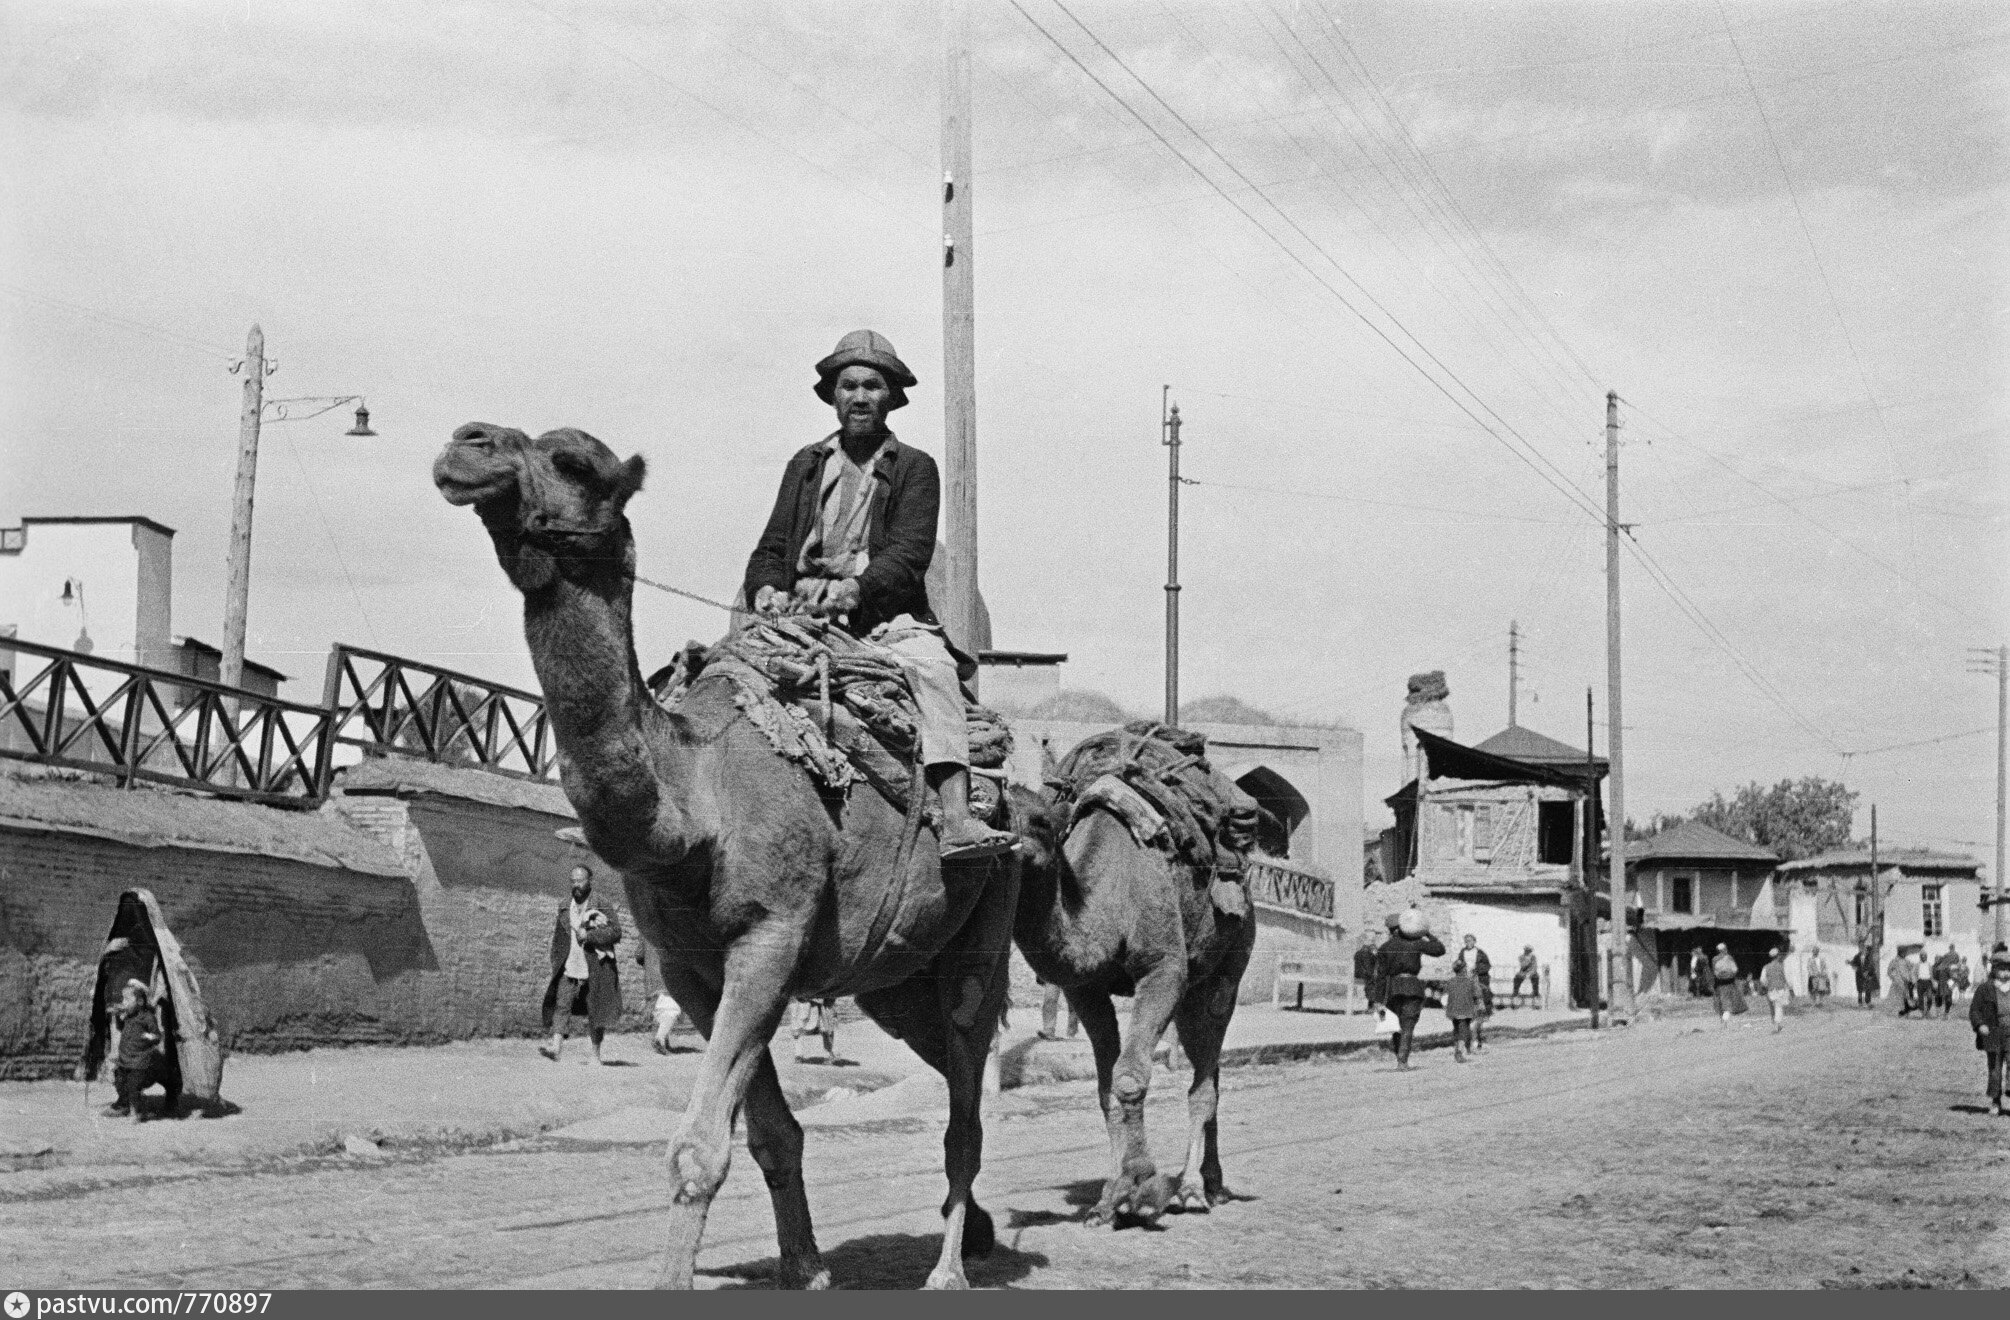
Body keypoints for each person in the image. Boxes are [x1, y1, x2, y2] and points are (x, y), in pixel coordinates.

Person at [742, 329, 1014, 861]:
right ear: (833, 394)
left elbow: (908, 556)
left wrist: (853, 592)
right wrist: (768, 589)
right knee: (712, 679)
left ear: (891, 397)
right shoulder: (805, 465)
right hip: (800, 619)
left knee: (933, 672)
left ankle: (957, 817)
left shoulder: (915, 467)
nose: (860, 396)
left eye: (872, 385)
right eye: (849, 385)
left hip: (886, 621)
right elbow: (772, 546)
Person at [540, 865, 623, 1064]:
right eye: (573, 881)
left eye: (580, 880)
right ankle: (556, 1047)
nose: (576, 885)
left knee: (595, 1010)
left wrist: (590, 935)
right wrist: (555, 960)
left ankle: (595, 1056)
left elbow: (616, 932)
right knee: (562, 1005)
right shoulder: (564, 905)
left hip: (595, 967)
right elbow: (558, 938)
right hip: (569, 965)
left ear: (590, 881)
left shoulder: (601, 904)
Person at [1377, 908, 1446, 1070]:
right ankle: (1403, 1061)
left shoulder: (1385, 947)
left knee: (1396, 1025)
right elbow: (1439, 949)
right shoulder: (1415, 943)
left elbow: (1380, 976)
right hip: (1412, 987)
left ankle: (1399, 1059)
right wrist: (1426, 932)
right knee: (1408, 1026)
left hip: (1392, 989)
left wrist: (1378, 1000)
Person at [105, 980, 175, 1120]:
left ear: (140, 1002)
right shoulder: (128, 1016)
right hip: (125, 1059)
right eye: (122, 999)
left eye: (127, 999)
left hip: (139, 1061)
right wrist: (114, 1015)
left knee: (133, 1086)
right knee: (120, 1081)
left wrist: (147, 1036)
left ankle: (135, 1112)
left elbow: (157, 1036)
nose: (123, 1002)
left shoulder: (147, 1018)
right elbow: (119, 1026)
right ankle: (124, 1103)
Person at [1968, 953, 2010, 1118]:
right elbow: (1974, 1010)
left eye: (2008, 969)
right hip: (1993, 1033)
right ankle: (1995, 1101)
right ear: (1994, 970)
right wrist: (1980, 1025)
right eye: (2002, 970)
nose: (2006, 973)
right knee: (1995, 1068)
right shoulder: (1985, 989)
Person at [1445, 960, 1481, 1063]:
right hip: (1466, 1011)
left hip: (1453, 1012)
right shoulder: (1470, 981)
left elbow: (1444, 996)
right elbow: (1477, 996)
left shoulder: (1450, 981)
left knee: (1456, 1031)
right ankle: (1459, 1053)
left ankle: (1458, 1050)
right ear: (1464, 969)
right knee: (1463, 1032)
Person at [1458, 934, 1493, 1017]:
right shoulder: (1463, 952)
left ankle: (1487, 1012)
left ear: (1474, 941)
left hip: (1479, 976)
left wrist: (1477, 970)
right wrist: (1461, 967)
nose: (1468, 943)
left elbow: (1487, 965)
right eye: (1466, 941)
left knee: (1483, 993)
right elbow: (1459, 962)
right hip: (1466, 974)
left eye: (1470, 940)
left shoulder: (1480, 952)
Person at [793, 997, 838, 1061]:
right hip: (807, 1005)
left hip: (825, 1005)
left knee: (828, 1029)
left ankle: (830, 1053)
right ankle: (798, 1055)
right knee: (798, 1028)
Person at [1760, 946, 1794, 1032]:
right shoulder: (1782, 966)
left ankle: (1776, 1024)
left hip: (1771, 990)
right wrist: (1791, 989)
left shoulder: (1766, 967)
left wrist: (1767, 986)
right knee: (1778, 1006)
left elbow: (1763, 980)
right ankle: (1777, 1025)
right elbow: (1787, 978)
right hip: (1781, 989)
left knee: (1774, 1007)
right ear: (1778, 956)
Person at [1711, 943, 1747, 1025]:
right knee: (1728, 1002)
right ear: (1725, 949)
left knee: (1721, 1002)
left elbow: (1715, 972)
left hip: (1719, 984)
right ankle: (1725, 1019)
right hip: (1730, 983)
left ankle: (1723, 1019)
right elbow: (1735, 970)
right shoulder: (1729, 958)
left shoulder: (1714, 959)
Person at [1891, 948, 1920, 1017]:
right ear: (1900, 953)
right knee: (1904, 996)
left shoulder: (1906, 960)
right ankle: (1906, 1009)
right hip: (1902, 981)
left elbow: (1912, 967)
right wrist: (1896, 977)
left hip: (1907, 980)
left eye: (1905, 953)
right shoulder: (1897, 961)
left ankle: (1909, 1009)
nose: (1904, 954)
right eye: (1903, 953)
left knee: (1909, 995)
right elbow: (1893, 971)